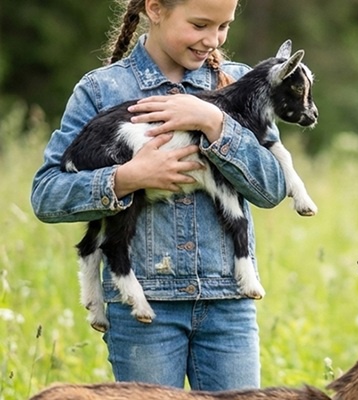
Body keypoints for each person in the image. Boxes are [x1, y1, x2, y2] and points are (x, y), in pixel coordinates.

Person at [30, 0, 287, 391]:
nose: (213, 40)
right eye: (200, 25)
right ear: (155, 8)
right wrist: (126, 178)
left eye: (224, 26)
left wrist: (214, 122)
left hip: (229, 305)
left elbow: (272, 189)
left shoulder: (242, 83)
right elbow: (47, 194)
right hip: (146, 313)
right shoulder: (100, 90)